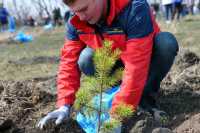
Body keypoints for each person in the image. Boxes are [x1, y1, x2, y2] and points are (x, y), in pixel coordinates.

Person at [37, 0, 179, 129]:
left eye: (84, 9)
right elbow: (68, 63)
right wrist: (64, 106)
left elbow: (136, 66)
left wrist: (116, 116)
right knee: (86, 58)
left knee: (166, 43)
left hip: (145, 61)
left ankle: (145, 100)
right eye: (76, 11)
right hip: (115, 65)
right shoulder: (76, 21)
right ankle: (117, 95)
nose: (81, 17)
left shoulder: (134, 8)